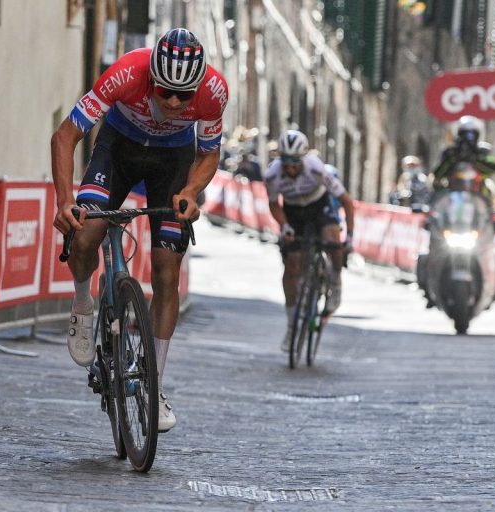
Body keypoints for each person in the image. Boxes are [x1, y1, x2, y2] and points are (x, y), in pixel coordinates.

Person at [50, 28, 228, 433]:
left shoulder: (214, 91)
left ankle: (153, 384)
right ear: (152, 77)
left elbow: (209, 151)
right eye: (166, 91)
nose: (173, 102)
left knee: (168, 268)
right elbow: (64, 136)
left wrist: (191, 191)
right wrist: (64, 200)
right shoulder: (126, 73)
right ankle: (82, 302)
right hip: (119, 149)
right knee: (86, 235)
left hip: (172, 161)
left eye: (184, 96)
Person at [264, 129, 355, 352]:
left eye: (295, 162)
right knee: (292, 265)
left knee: (332, 237)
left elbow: (346, 201)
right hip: (293, 210)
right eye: (285, 161)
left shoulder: (316, 169)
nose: (291, 167)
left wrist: (349, 237)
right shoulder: (272, 175)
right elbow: (274, 204)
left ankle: (335, 280)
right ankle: (291, 323)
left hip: (318, 206)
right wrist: (284, 226)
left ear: (303, 158)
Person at [431, 115, 495, 191]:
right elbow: (438, 174)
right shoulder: (451, 152)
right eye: (464, 134)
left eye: (472, 135)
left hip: (479, 194)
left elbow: (493, 168)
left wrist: (474, 159)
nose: (468, 139)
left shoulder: (482, 151)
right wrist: (453, 159)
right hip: (453, 194)